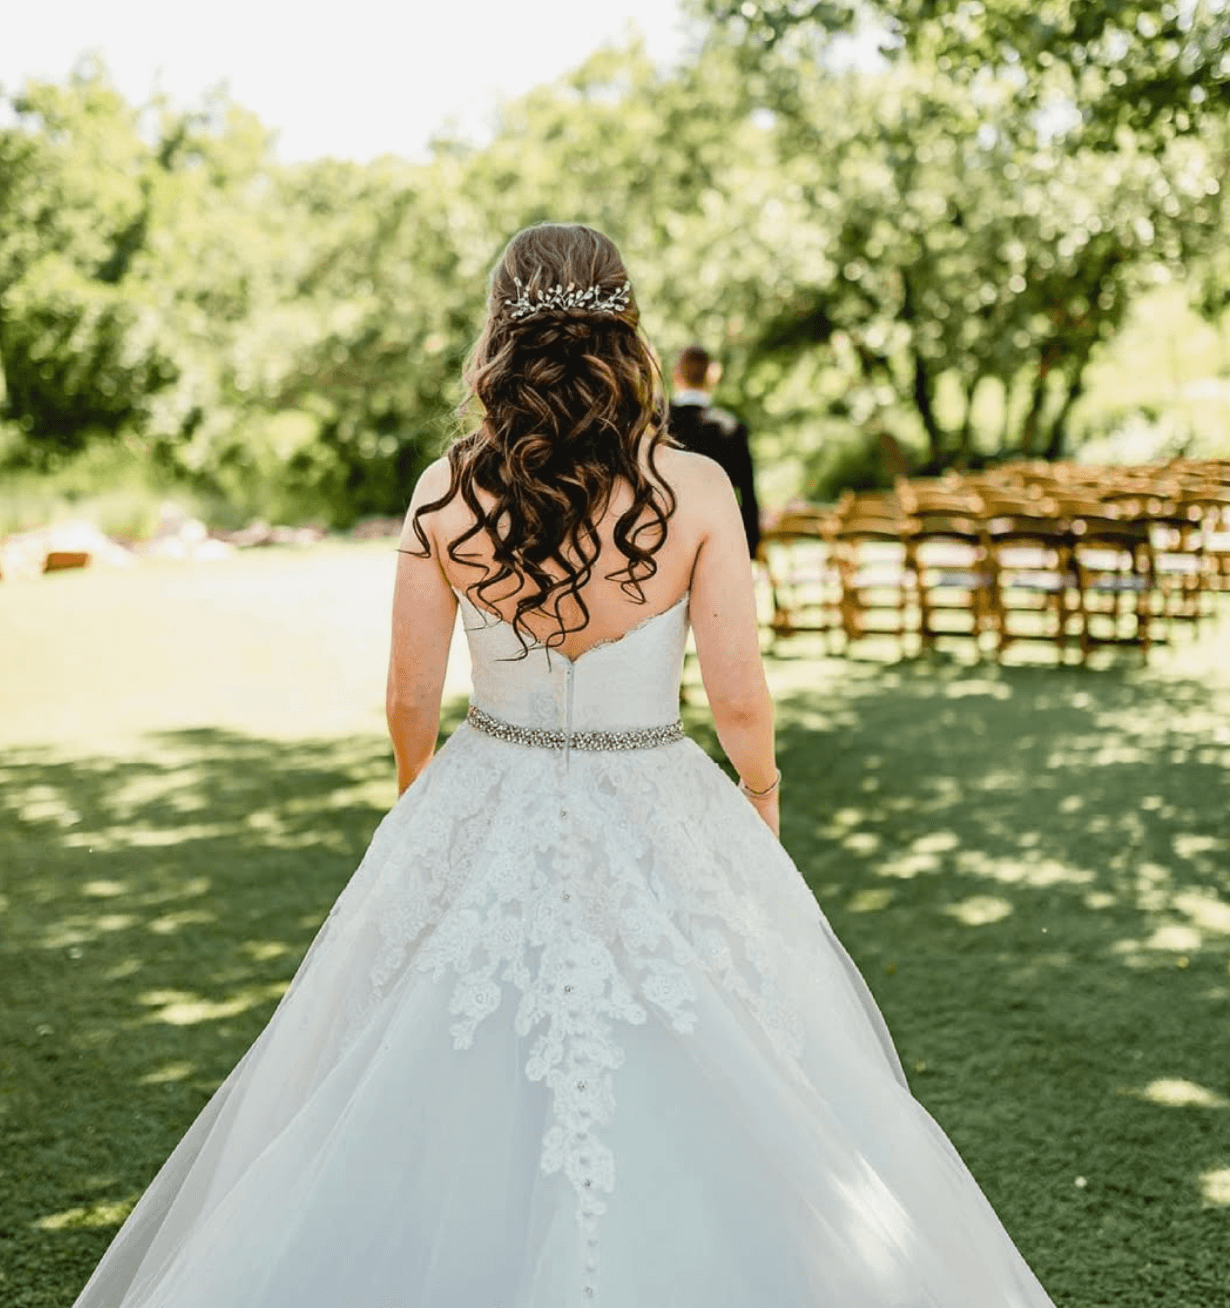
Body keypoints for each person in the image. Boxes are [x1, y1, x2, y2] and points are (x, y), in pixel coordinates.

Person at [71, 223, 1056, 1307]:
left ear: (499, 331)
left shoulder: (444, 495)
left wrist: (420, 800)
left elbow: (409, 695)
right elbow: (736, 694)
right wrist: (760, 798)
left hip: (491, 778)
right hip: (659, 786)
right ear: (626, 334)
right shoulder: (697, 490)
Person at [669, 344, 761, 557]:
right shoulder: (732, 428)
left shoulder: (656, 424)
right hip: (719, 541)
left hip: (667, 541)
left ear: (676, 374)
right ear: (713, 375)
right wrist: (750, 547)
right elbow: (747, 493)